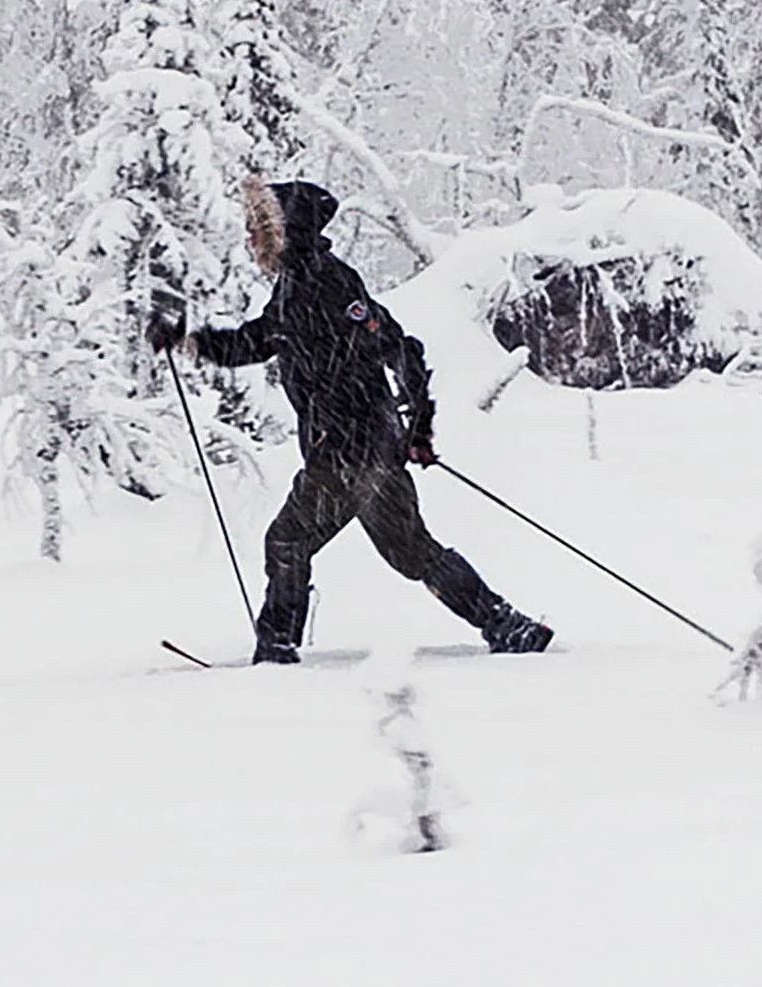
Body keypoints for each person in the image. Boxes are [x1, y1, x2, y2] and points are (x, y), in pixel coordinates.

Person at [148, 178, 551, 665]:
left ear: (286, 231)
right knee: (412, 553)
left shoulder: (325, 284)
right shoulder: (298, 286)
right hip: (364, 448)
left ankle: (276, 652)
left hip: (347, 452)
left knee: (288, 541)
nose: (249, 238)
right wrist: (187, 342)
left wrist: (416, 426)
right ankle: (507, 625)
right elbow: (255, 343)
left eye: (257, 227)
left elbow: (397, 347)